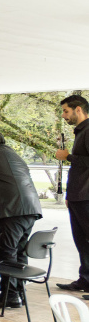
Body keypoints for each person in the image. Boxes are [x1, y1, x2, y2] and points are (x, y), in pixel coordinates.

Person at [0, 129, 42, 308]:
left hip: (12, 210)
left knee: (6, 253)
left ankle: (10, 296)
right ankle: (18, 292)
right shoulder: (12, 154)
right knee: (19, 252)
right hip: (30, 209)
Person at [55, 94, 89, 292]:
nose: (63, 115)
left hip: (86, 197)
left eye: (65, 111)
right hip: (78, 196)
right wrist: (69, 195)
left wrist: (68, 156)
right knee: (81, 241)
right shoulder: (81, 132)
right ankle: (85, 280)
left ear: (78, 109)